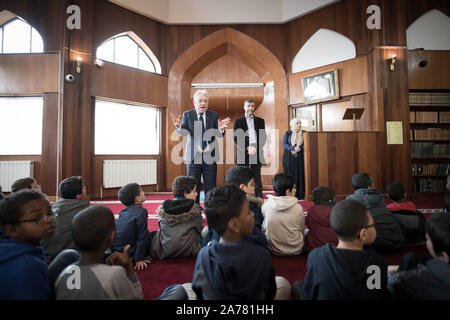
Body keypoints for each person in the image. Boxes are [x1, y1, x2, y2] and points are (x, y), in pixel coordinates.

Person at [184, 185, 291, 300]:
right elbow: (270, 293)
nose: (253, 214)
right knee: (283, 284)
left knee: (184, 287)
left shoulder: (204, 254)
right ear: (234, 224)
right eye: (249, 212)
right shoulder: (261, 255)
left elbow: (199, 292)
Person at [292, 199, 388, 300]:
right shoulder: (377, 262)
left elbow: (310, 294)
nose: (374, 228)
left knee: (298, 285)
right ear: (363, 234)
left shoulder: (317, 256)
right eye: (373, 225)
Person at [0, 190, 78, 299]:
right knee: (73, 258)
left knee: (70, 254)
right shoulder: (29, 267)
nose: (50, 220)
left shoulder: (11, 246)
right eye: (38, 218)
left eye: (50, 213)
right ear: (12, 230)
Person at [55, 205, 144, 300]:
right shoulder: (115, 275)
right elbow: (138, 298)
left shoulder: (64, 274)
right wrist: (129, 268)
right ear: (112, 236)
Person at [170, 90, 231, 203]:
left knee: (211, 187)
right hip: (193, 157)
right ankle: (194, 210)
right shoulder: (188, 115)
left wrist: (220, 129)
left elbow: (219, 135)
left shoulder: (214, 115)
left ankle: (210, 211)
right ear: (194, 102)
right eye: (200, 101)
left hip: (209, 157)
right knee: (193, 187)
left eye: (205, 101)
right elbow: (184, 133)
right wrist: (179, 127)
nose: (203, 103)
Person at [202, 166, 268, 250]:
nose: (253, 188)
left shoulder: (218, 204)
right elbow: (257, 234)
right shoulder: (252, 206)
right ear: (242, 187)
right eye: (251, 184)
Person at [388, 212, 450, 299]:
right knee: (411, 258)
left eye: (427, 239)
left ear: (443, 257)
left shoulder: (414, 282)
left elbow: (386, 285)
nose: (426, 241)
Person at [346, 173, 405, 254]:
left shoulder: (351, 199)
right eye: (373, 182)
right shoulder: (379, 197)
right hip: (398, 242)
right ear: (370, 186)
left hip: (377, 246)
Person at [149, 176, 204, 259]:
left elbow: (161, 227)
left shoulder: (163, 208)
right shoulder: (195, 208)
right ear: (186, 193)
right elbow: (200, 230)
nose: (196, 193)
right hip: (189, 250)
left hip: (165, 249)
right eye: (194, 191)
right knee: (207, 232)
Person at [42, 176, 90, 261]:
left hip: (45, 257)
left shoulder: (52, 208)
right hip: (70, 259)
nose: (85, 189)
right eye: (83, 188)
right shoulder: (85, 212)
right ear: (78, 196)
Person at [110, 183, 153, 270]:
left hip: (116, 248)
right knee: (153, 236)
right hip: (129, 250)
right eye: (141, 191)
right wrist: (139, 259)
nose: (144, 192)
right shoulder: (142, 212)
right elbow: (142, 236)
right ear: (138, 198)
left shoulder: (123, 211)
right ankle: (139, 256)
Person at [261, 173, 305, 256]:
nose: (295, 190)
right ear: (288, 191)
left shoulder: (266, 205)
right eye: (294, 188)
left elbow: (264, 228)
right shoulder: (298, 208)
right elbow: (301, 229)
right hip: (296, 249)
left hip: (273, 249)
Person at [233, 98, 267, 198]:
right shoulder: (238, 121)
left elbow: (263, 136)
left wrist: (255, 148)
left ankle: (259, 199)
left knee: (257, 177)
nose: (250, 108)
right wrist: (247, 147)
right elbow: (236, 138)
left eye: (252, 106)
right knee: (242, 177)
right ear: (244, 107)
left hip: (257, 150)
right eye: (248, 106)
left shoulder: (260, 121)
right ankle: (241, 198)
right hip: (243, 151)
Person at [304, 186, 338, 252]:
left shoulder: (311, 211)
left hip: (315, 247)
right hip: (335, 247)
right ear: (332, 198)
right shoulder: (338, 210)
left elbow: (308, 224)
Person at [282, 118, 305, 199]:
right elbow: (284, 144)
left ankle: (299, 193)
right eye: (297, 123)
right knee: (289, 175)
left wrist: (300, 148)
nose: (299, 124)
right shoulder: (288, 133)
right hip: (289, 157)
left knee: (299, 174)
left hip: (299, 157)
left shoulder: (303, 133)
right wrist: (293, 148)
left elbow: (306, 144)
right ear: (292, 124)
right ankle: (289, 193)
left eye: (300, 123)